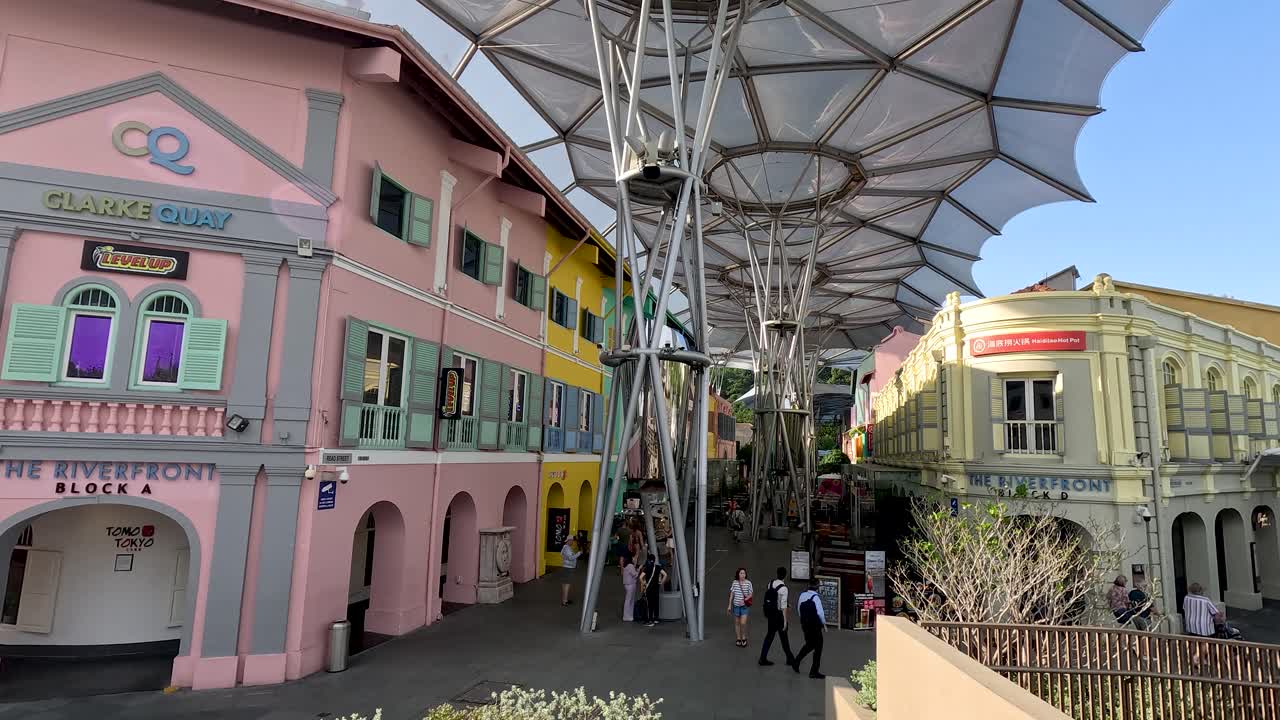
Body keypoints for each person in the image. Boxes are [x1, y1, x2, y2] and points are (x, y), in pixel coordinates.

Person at [758, 566, 795, 667]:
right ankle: (790, 659)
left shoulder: (770, 583)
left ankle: (762, 658)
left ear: (777, 574)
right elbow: (783, 607)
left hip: (770, 613)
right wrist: (785, 621)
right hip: (779, 615)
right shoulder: (784, 589)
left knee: (769, 636)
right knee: (784, 638)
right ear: (785, 575)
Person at [792, 578, 826, 679]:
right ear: (817, 587)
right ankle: (814, 671)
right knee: (818, 647)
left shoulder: (802, 595)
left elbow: (799, 609)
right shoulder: (816, 598)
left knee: (810, 644)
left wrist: (803, 620)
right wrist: (824, 624)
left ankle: (796, 661)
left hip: (805, 624)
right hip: (815, 626)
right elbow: (820, 613)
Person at [638, 554, 667, 627]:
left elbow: (641, 577)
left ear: (648, 560)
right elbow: (665, 574)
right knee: (656, 603)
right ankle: (656, 619)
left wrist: (644, 583)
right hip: (656, 588)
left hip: (649, 589)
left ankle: (650, 620)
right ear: (654, 560)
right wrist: (661, 582)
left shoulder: (647, 567)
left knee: (649, 604)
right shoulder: (658, 567)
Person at [560, 537, 582, 607]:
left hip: (566, 568)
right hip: (568, 569)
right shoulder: (567, 548)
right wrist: (579, 553)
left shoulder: (566, 547)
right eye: (572, 541)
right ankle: (564, 601)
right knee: (567, 585)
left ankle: (565, 600)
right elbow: (570, 558)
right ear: (569, 540)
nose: (573, 542)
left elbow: (566, 556)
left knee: (565, 584)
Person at [622, 556, 639, 622]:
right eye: (633, 558)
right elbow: (635, 575)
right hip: (630, 584)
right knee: (630, 600)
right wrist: (638, 569)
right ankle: (627, 616)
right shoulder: (630, 566)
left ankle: (628, 615)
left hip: (627, 584)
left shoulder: (627, 566)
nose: (634, 558)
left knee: (629, 600)